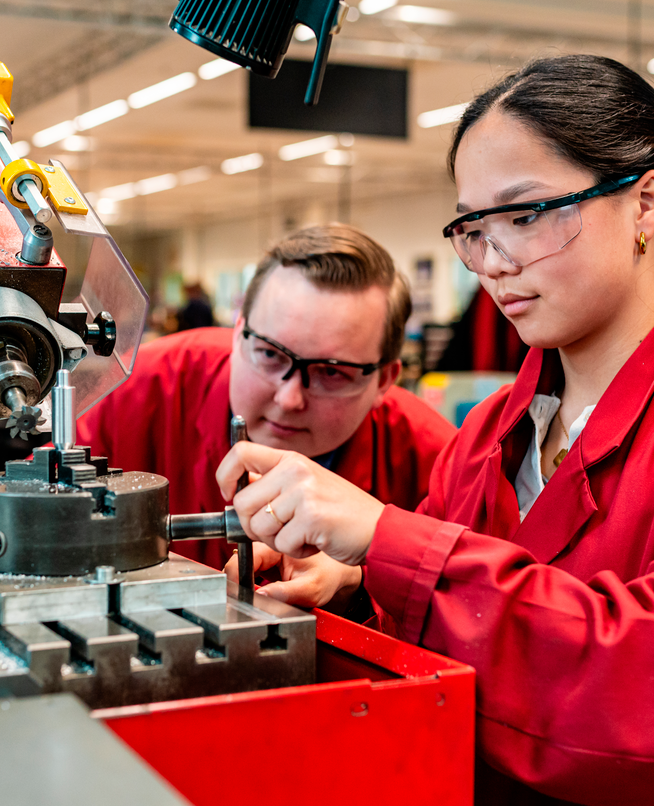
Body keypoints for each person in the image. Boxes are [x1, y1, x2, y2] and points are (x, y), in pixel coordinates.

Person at [216, 55, 654, 806]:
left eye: (524, 215)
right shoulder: (494, 430)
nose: (494, 262)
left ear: (646, 203)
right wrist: (357, 584)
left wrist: (391, 540)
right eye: (474, 227)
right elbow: (469, 626)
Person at [77, 224, 456, 609]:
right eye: (271, 355)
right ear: (238, 332)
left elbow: (475, 610)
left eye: (332, 373)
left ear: (385, 380)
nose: (290, 398)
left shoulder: (437, 462)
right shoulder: (132, 394)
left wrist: (364, 579)